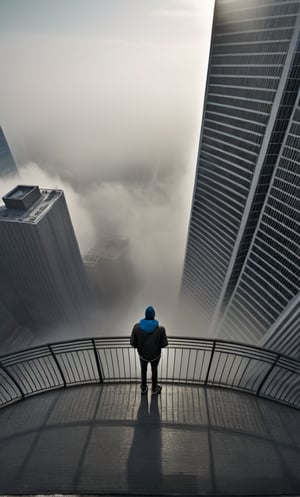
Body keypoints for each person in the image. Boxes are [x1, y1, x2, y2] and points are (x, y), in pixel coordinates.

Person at [130, 306, 168, 395]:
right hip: (155, 355)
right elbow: (164, 344)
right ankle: (154, 388)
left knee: (143, 370)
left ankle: (144, 388)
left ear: (145, 315)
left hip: (142, 355)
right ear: (154, 315)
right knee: (154, 370)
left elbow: (132, 343)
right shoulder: (161, 329)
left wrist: (140, 346)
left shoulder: (136, 327)